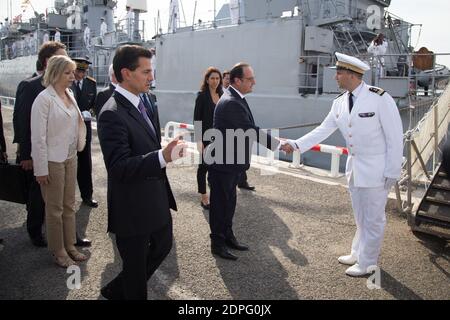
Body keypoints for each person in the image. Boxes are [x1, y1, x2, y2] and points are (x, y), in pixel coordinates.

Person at [284, 52, 403, 276]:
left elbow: (395, 137)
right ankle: (358, 252)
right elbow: (323, 130)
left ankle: (368, 263)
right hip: (355, 168)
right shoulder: (339, 103)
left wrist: (392, 171)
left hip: (378, 170)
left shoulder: (379, 98)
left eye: (338, 72)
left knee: (374, 219)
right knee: (360, 216)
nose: (335, 76)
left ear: (351, 75)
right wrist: (296, 144)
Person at [97, 45, 186, 300]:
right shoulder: (111, 114)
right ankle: (123, 290)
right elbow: (118, 168)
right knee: (136, 277)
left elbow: (148, 143)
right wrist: (162, 156)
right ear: (126, 73)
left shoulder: (146, 102)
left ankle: (114, 290)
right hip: (132, 206)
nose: (152, 77)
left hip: (155, 196)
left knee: (163, 245)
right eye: (146, 72)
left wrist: (163, 154)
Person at [207, 62, 280, 260]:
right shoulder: (231, 102)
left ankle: (228, 236)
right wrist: (278, 145)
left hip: (232, 165)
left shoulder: (236, 97)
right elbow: (250, 129)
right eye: (250, 79)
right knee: (220, 205)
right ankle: (217, 244)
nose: (254, 82)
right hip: (223, 165)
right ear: (237, 81)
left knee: (229, 204)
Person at [30, 55, 88, 268]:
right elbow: (38, 138)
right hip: (52, 161)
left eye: (73, 72)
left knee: (69, 205)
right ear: (54, 73)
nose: (73, 76)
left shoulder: (69, 94)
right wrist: (41, 169)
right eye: (68, 73)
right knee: (54, 209)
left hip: (70, 156)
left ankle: (70, 245)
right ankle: (58, 250)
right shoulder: (43, 99)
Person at [13, 41, 67, 247]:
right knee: (36, 196)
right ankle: (35, 230)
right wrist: (26, 155)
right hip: (36, 153)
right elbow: (22, 121)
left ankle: (53, 226)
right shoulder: (30, 86)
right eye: (62, 57)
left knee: (55, 194)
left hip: (58, 152)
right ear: (48, 62)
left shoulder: (61, 87)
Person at [194, 67, 223, 210]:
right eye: (212, 78)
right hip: (206, 138)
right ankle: (204, 197)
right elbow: (197, 119)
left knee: (217, 168)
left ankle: (215, 194)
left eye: (218, 78)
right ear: (207, 80)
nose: (215, 81)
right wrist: (199, 141)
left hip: (220, 139)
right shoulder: (202, 96)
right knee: (203, 167)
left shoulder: (223, 94)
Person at [71, 57, 98, 208]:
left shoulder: (91, 84)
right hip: (69, 127)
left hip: (85, 127)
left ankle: (87, 195)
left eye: (83, 71)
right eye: (78, 71)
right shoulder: (67, 82)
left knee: (85, 163)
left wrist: (90, 113)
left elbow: (94, 105)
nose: (80, 75)